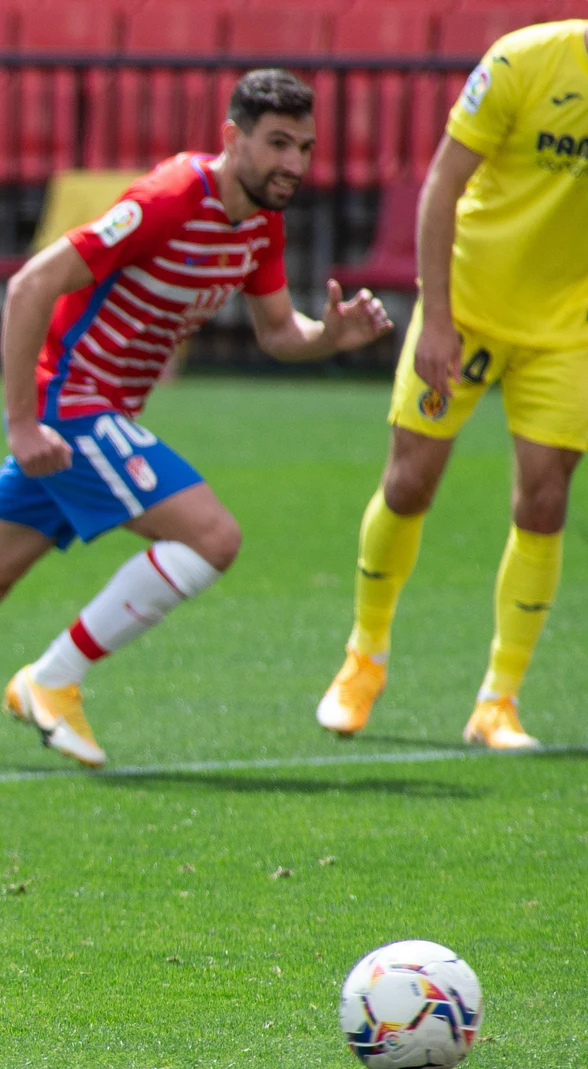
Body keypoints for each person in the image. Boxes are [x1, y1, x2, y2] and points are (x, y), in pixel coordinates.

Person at [0, 70, 394, 768]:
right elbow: (30, 284)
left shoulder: (260, 225)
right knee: (213, 537)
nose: (293, 163)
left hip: (96, 416)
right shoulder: (166, 200)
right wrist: (22, 423)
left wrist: (328, 337)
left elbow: (279, 331)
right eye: (278, 143)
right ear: (232, 138)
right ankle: (53, 679)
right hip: (71, 404)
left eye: (305, 148)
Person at [317, 19, 588, 750]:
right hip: (466, 308)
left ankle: (498, 701)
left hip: (566, 328)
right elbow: (443, 182)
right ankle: (363, 659)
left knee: (545, 498)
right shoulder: (524, 60)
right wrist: (436, 317)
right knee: (409, 482)